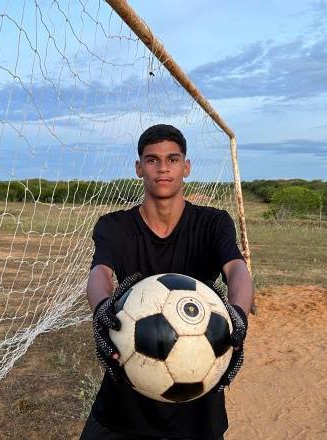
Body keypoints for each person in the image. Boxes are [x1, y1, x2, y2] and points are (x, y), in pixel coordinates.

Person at [81, 124, 253, 440]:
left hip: (198, 399)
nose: (163, 168)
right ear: (138, 168)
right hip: (126, 391)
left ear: (186, 167)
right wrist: (102, 308)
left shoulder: (213, 223)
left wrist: (239, 314)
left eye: (172, 159)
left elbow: (237, 269)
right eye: (152, 159)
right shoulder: (114, 226)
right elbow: (99, 273)